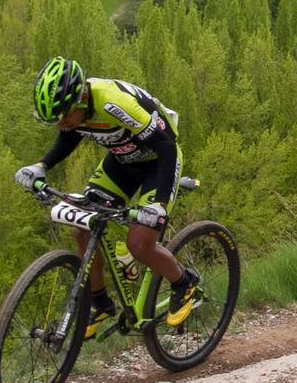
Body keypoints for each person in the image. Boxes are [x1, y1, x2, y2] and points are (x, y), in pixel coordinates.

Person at [15, 57, 198, 339]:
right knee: (83, 227)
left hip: (158, 162)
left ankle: (184, 283)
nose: (60, 125)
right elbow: (70, 133)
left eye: (63, 116)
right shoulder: (74, 114)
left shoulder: (114, 104)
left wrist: (158, 203)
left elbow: (166, 146)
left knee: (139, 243)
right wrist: (41, 166)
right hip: (122, 161)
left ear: (81, 98)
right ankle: (101, 303)